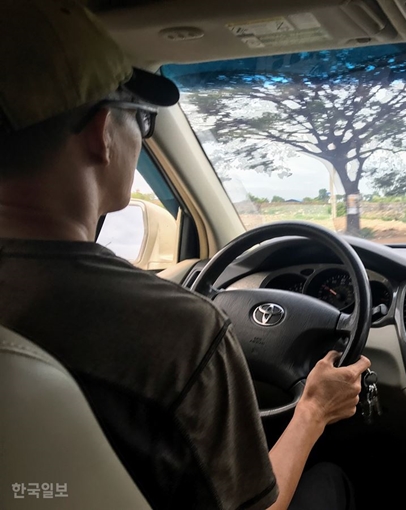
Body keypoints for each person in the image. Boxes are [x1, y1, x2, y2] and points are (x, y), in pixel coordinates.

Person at [0, 1, 369, 509]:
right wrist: (313, 410)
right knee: (332, 481)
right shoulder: (176, 333)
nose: (140, 134)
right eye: (142, 120)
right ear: (102, 132)